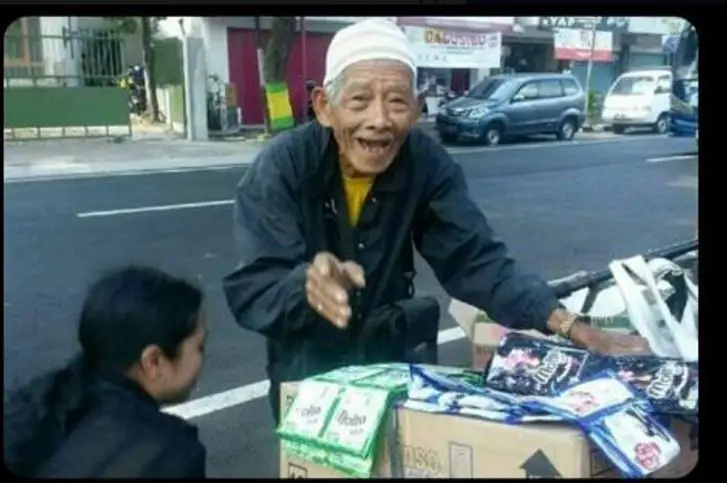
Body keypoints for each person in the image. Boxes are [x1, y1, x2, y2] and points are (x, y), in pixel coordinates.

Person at [221, 19, 652, 424]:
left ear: (417, 109)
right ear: (324, 107)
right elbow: (255, 289)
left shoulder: (424, 163)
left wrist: (571, 327)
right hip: (308, 374)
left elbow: (474, 260)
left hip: (388, 367)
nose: (379, 120)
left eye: (396, 101)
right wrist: (305, 286)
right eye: (359, 100)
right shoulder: (283, 166)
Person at [4, 266, 208, 478]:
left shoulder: (41, 403)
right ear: (154, 362)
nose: (203, 358)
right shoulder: (168, 453)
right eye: (199, 347)